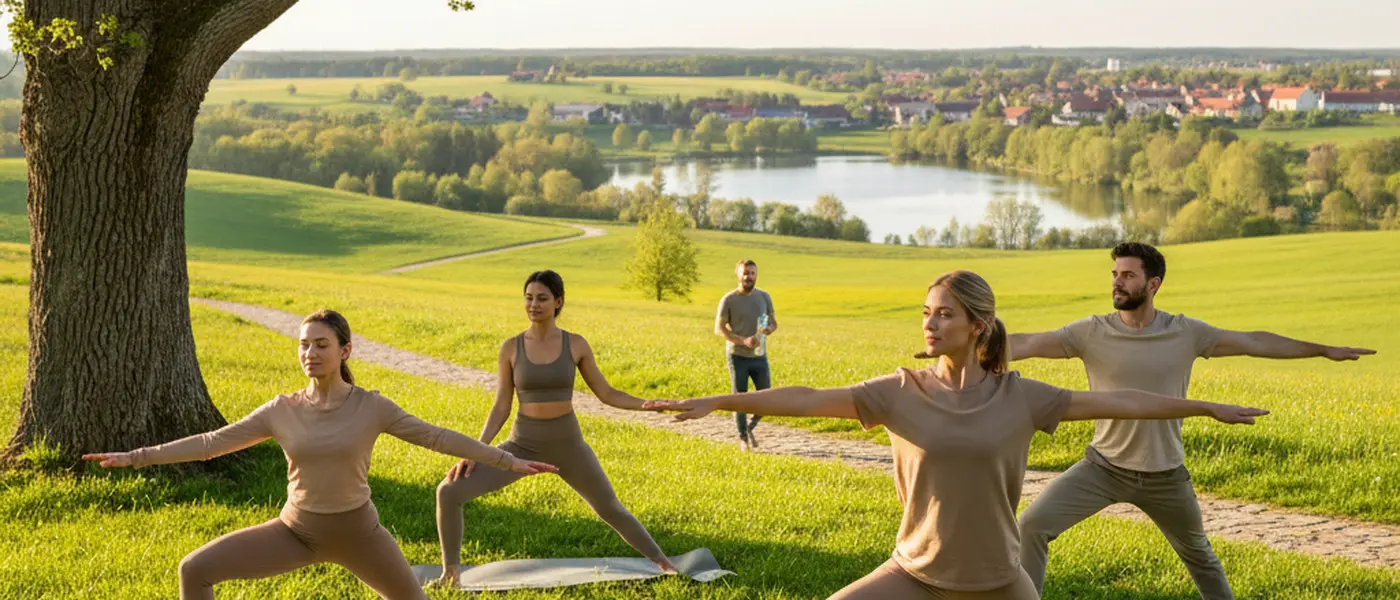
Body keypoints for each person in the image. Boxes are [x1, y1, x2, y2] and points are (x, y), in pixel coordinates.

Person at [646, 270, 1268, 599]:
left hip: (999, 582)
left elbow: (1122, 400)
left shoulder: (1022, 396)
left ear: (978, 326)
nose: (931, 323)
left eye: (945, 313)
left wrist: (1203, 407)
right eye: (926, 313)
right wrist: (718, 400)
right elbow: (806, 398)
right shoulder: (900, 391)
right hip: (914, 576)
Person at [82, 309, 556, 600]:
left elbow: (437, 437)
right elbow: (211, 444)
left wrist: (507, 460)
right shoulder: (281, 410)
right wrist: (135, 457)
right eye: (304, 345)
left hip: (360, 535)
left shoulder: (372, 407)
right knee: (195, 569)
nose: (310, 352)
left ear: (345, 351)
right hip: (296, 532)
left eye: (321, 344)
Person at [1010, 242, 1375, 599]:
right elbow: (1027, 344)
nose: (1117, 282)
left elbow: (1253, 341)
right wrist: (975, 347)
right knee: (1032, 525)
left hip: (1165, 476)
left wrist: (1322, 350)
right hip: (1102, 469)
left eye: (1128, 275)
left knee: (1200, 556)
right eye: (1115, 274)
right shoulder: (1091, 332)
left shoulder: (1185, 332)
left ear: (1153, 284)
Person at [435, 270, 677, 586]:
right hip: (522, 447)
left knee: (611, 509)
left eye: (542, 298)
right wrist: (476, 450)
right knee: (448, 491)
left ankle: (665, 563)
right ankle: (450, 575)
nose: (533, 305)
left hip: (569, 446)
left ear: (558, 302)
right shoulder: (511, 348)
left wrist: (646, 404)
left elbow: (607, 393)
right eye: (528, 298)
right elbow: (501, 407)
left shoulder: (575, 344)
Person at [714, 259, 778, 451]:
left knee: (767, 399)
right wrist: (743, 341)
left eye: (752, 273)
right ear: (738, 275)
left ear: (756, 275)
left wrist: (769, 329)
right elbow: (719, 329)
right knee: (739, 399)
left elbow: (773, 323)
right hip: (737, 356)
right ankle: (743, 438)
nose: (748, 277)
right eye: (745, 273)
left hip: (759, 355)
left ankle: (749, 427)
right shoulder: (729, 299)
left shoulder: (764, 297)